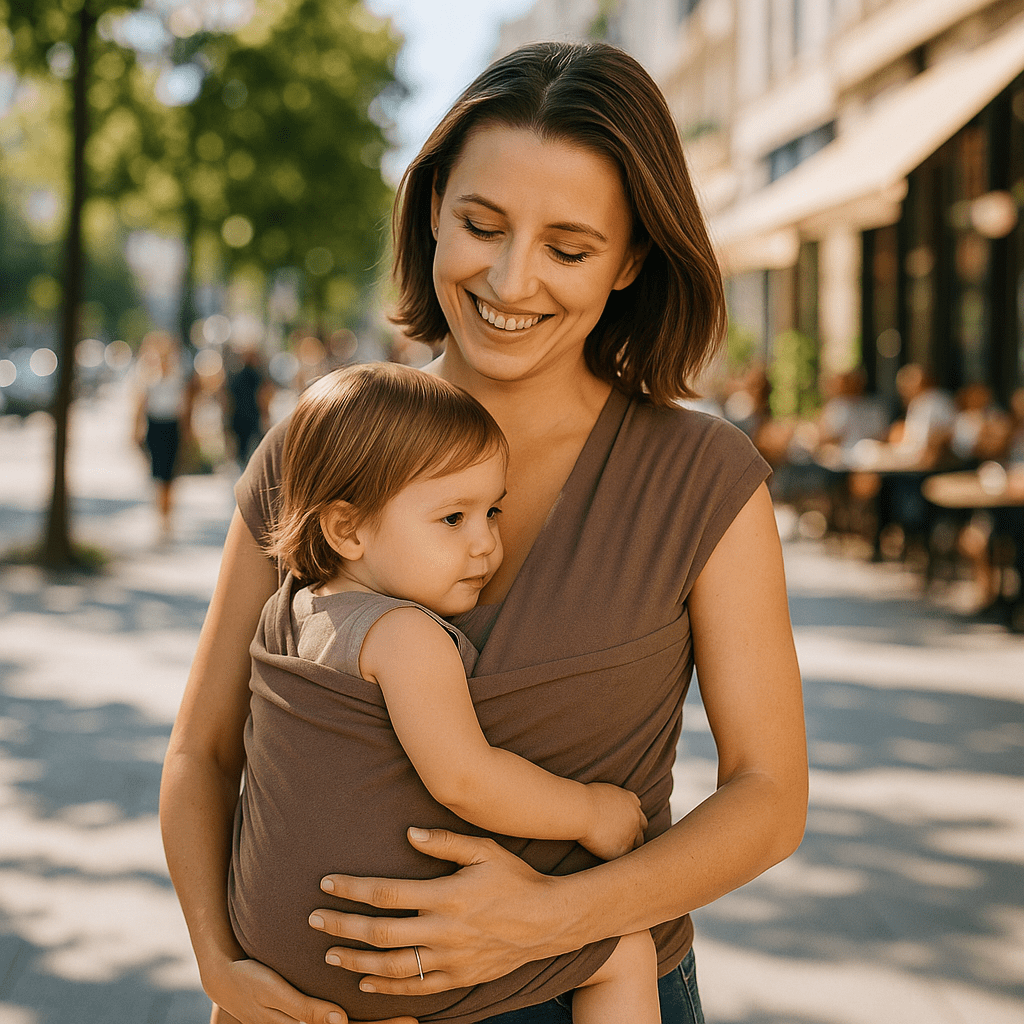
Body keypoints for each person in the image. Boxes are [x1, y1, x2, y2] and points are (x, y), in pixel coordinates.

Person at [160, 40, 807, 1024]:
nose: (510, 280)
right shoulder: (321, 444)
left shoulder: (700, 478)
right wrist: (216, 963)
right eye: (481, 224)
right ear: (431, 211)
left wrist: (549, 919)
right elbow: (203, 750)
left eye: (569, 247)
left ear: (631, 258)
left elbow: (768, 796)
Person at [231, 362, 659, 1024]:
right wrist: (591, 812)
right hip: (372, 942)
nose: (486, 542)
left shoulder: (289, 612)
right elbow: (466, 779)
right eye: (453, 518)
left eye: (492, 510)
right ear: (347, 529)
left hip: (271, 942)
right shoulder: (405, 636)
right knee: (627, 950)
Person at [133, 330, 195, 540]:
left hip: (171, 427)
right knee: (158, 475)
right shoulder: (147, 377)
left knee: (169, 475)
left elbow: (185, 408)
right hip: (155, 426)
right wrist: (136, 429)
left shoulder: (178, 377)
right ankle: (160, 516)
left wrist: (187, 432)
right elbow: (140, 405)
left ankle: (167, 517)